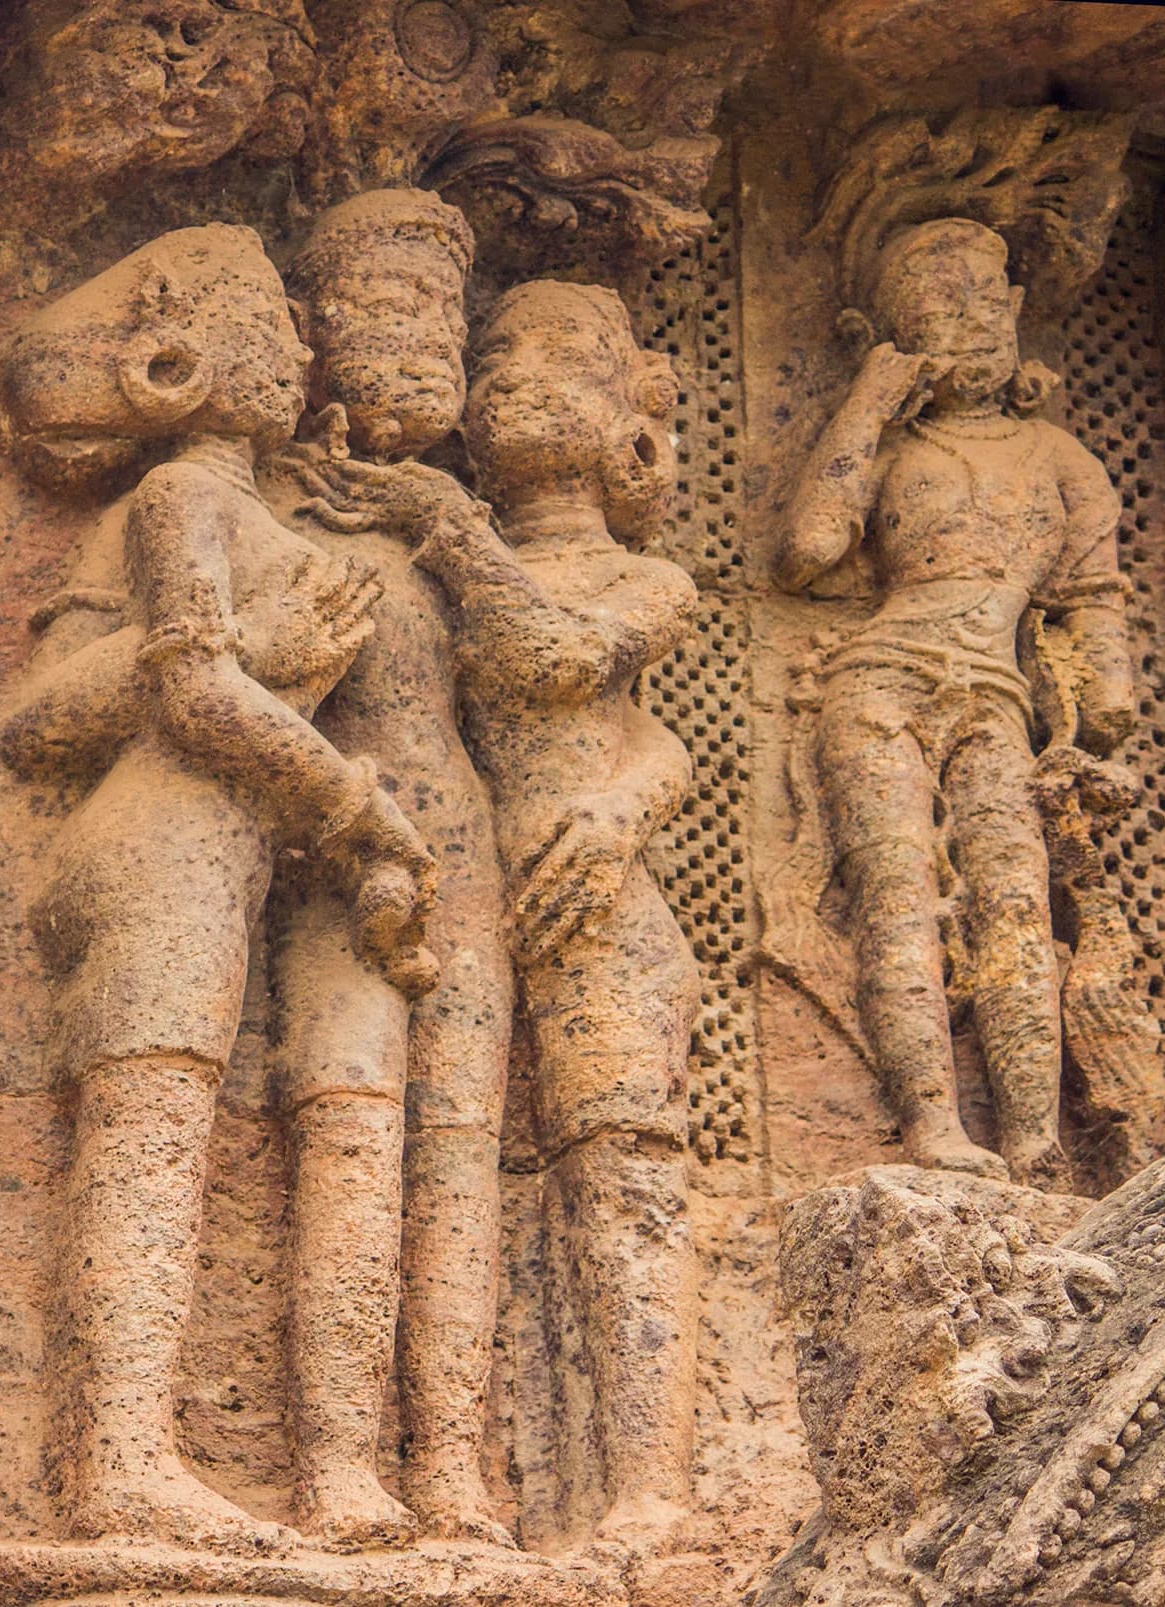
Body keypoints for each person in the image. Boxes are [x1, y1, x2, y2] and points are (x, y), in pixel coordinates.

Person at [0, 223, 437, 1553]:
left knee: (181, 1131)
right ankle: (121, 1451)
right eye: (278, 324)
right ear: (187, 360)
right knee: (151, 1130)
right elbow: (143, 700)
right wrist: (351, 797)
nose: (305, 347)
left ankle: (159, 1446)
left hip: (229, 846)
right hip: (162, 838)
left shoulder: (253, 517)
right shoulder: (185, 501)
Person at [328, 280, 700, 1557]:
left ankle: (652, 1484)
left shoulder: (639, 576)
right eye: (500, 353)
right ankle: (446, 1467)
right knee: (461, 1179)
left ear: (632, 423)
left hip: (596, 905)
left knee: (620, 1176)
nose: (526, 374)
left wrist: (617, 818)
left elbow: (565, 669)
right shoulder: (428, 573)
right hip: (462, 894)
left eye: (571, 358)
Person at [777, 218, 1133, 1187]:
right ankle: (929, 1120)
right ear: (887, 332)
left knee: (1013, 898)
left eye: (985, 298)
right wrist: (867, 404)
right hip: (877, 679)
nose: (969, 321)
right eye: (939, 306)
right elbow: (807, 550)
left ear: (1017, 312)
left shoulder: (1057, 457)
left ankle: (1029, 1134)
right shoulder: (894, 443)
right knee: (897, 894)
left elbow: (1092, 598)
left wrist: (1110, 710)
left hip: (994, 694)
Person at [264, 188, 513, 1548]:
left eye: (446, 325)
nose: (428, 345)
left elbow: (562, 667)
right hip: (343, 839)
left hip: (465, 840)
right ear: (315, 334)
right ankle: (337, 1462)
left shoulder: (454, 532)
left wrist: (447, 522)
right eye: (395, 311)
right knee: (353, 1138)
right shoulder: (268, 510)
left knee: (462, 1158)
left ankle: (461, 1469)